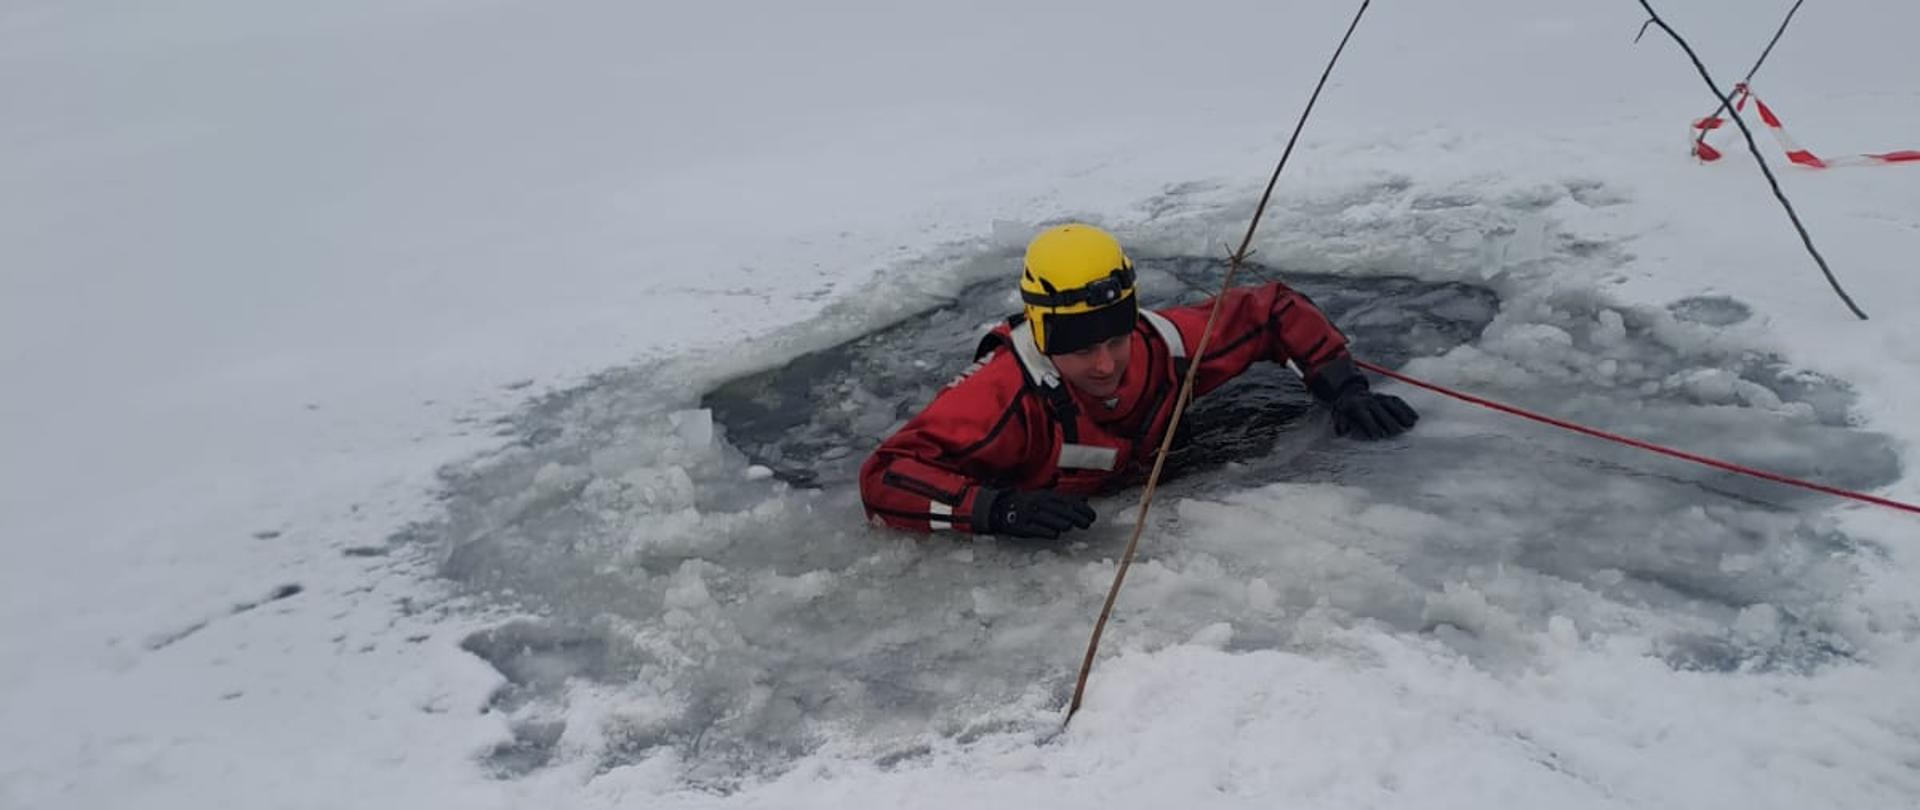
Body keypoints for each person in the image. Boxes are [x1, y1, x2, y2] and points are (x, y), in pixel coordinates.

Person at [858, 223, 1417, 539]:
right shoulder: (1003, 397)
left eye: (1114, 341)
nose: (1105, 365)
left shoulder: (1165, 346)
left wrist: (1343, 386)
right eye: (1081, 351)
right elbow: (885, 477)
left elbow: (1272, 311)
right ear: (1047, 339)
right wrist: (1000, 509)